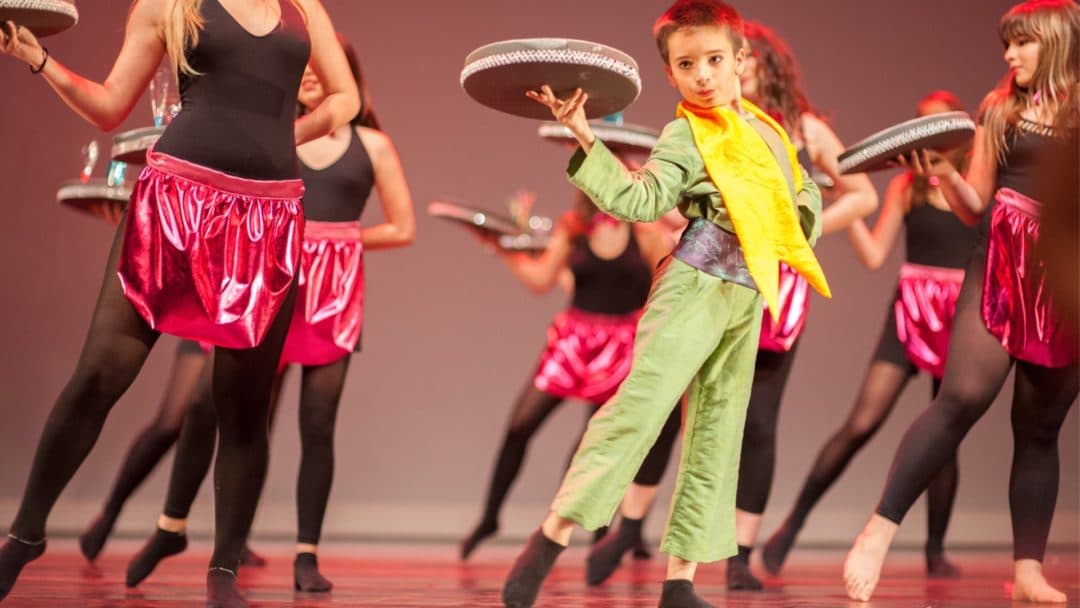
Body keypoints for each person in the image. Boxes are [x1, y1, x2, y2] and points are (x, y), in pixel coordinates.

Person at [0, 1, 358, 605]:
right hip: (175, 203)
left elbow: (345, 98)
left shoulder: (301, 6)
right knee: (98, 376)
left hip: (267, 219)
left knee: (242, 410)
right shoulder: (170, 4)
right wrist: (40, 60)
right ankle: (24, 536)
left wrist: (283, 134)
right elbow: (111, 105)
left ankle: (223, 572)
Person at [501, 1, 828, 605]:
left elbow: (802, 191)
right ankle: (551, 536)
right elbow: (643, 198)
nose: (702, 75)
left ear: (740, 61)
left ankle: (680, 582)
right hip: (693, 285)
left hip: (745, 295)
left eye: (714, 60)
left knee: (716, 435)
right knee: (640, 410)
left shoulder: (768, 131)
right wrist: (585, 136)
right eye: (686, 64)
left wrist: (797, 214)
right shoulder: (685, 133)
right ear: (671, 75)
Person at [123, 39, 416, 594]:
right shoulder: (275, 135)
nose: (310, 76)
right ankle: (173, 526)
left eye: (322, 68)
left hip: (329, 292)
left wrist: (329, 237)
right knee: (219, 408)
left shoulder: (372, 145)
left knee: (318, 424)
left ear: (346, 75)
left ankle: (306, 555)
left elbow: (403, 227)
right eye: (302, 68)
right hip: (270, 282)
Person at [842, 1, 1078, 602]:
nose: (1010, 55)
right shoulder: (1002, 109)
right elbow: (975, 204)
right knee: (962, 397)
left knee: (1040, 428)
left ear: (1057, 42)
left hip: (1066, 278)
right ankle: (879, 529)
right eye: (1008, 44)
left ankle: (1028, 573)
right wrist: (944, 176)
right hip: (1000, 263)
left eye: (1022, 43)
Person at [762, 91, 976, 584]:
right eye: (921, 124)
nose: (929, 134)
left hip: (958, 314)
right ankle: (790, 527)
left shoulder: (967, 184)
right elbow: (876, 255)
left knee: (945, 435)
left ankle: (935, 551)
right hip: (911, 310)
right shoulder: (906, 188)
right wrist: (849, 206)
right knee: (861, 422)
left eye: (938, 125)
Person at [459, 189, 680, 563]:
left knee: (594, 444)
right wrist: (500, 247)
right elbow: (541, 279)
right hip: (574, 340)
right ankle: (490, 517)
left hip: (620, 346)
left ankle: (600, 536)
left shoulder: (644, 230)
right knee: (519, 426)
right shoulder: (574, 227)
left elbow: (667, 287)